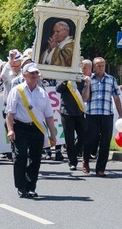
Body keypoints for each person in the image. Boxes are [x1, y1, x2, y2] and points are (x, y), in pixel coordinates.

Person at [5, 62, 57, 198]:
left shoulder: (42, 93)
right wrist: (10, 130)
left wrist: (52, 134)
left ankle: (31, 186)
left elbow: (49, 116)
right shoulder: (17, 90)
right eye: (32, 73)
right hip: (20, 127)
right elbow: (10, 113)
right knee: (21, 155)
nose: (35, 76)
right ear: (25, 74)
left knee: (35, 158)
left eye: (36, 73)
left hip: (37, 128)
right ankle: (21, 186)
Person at [82, 57, 122, 176]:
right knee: (90, 140)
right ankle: (85, 160)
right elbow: (85, 98)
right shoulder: (89, 80)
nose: (100, 68)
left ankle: (100, 169)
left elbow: (116, 97)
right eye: (98, 66)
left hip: (106, 115)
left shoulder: (111, 80)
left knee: (105, 142)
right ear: (94, 67)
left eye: (102, 65)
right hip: (92, 114)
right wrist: (87, 84)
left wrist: (120, 115)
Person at [55, 74, 88, 171]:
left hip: (79, 111)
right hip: (66, 112)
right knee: (69, 139)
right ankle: (72, 162)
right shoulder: (63, 76)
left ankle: (75, 152)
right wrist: (65, 81)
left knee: (83, 135)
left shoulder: (81, 77)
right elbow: (58, 89)